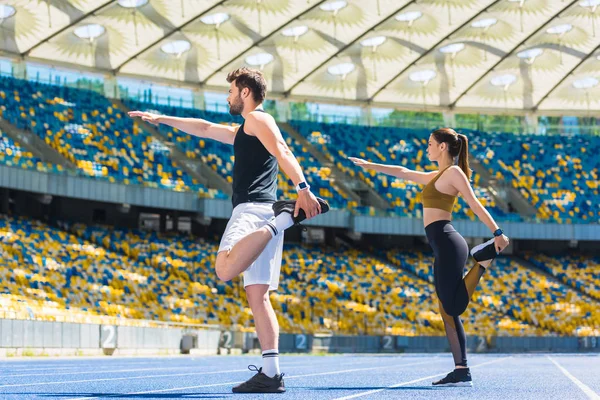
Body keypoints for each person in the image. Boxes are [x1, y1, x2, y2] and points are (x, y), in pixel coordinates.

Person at [129, 67, 329, 393]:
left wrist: (303, 188)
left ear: (245, 92)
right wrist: (162, 118)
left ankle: (282, 220)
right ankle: (271, 372)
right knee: (258, 296)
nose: (228, 97)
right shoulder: (245, 129)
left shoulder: (258, 120)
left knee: (224, 268)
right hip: (263, 216)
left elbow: (283, 151)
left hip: (253, 212)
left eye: (232, 91)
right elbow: (206, 128)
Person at [349, 127, 509, 387]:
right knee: (446, 312)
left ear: (443, 146)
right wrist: (370, 165)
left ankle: (483, 260)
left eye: (430, 143)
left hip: (448, 242)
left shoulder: (454, 173)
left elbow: (474, 203)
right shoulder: (437, 176)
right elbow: (402, 172)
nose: (427, 148)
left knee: (452, 307)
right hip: (441, 245)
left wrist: (497, 233)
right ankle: (461, 370)